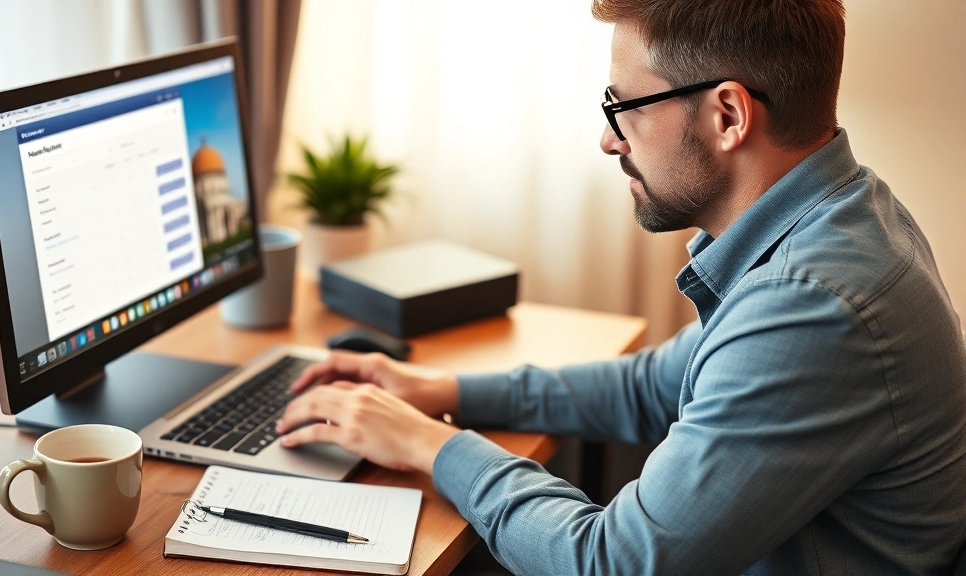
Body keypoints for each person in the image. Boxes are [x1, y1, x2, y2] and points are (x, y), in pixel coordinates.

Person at [275, 0, 966, 573]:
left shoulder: (813, 303)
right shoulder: (841, 214)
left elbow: (610, 563)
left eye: (624, 105)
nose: (610, 141)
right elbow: (653, 386)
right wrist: (443, 393)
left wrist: (430, 444)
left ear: (728, 115)